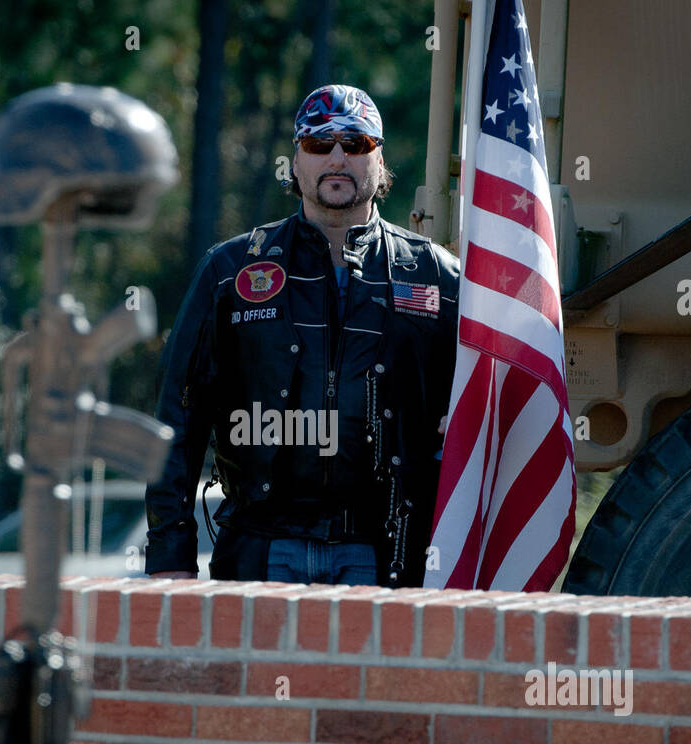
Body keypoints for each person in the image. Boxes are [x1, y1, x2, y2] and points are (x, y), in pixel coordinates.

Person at [145, 84, 460, 587]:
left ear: (380, 162)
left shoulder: (437, 275)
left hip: (386, 555)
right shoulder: (230, 269)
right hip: (260, 547)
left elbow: (485, 407)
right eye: (319, 144)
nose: (338, 157)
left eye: (356, 144)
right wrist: (169, 552)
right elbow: (177, 418)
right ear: (296, 161)